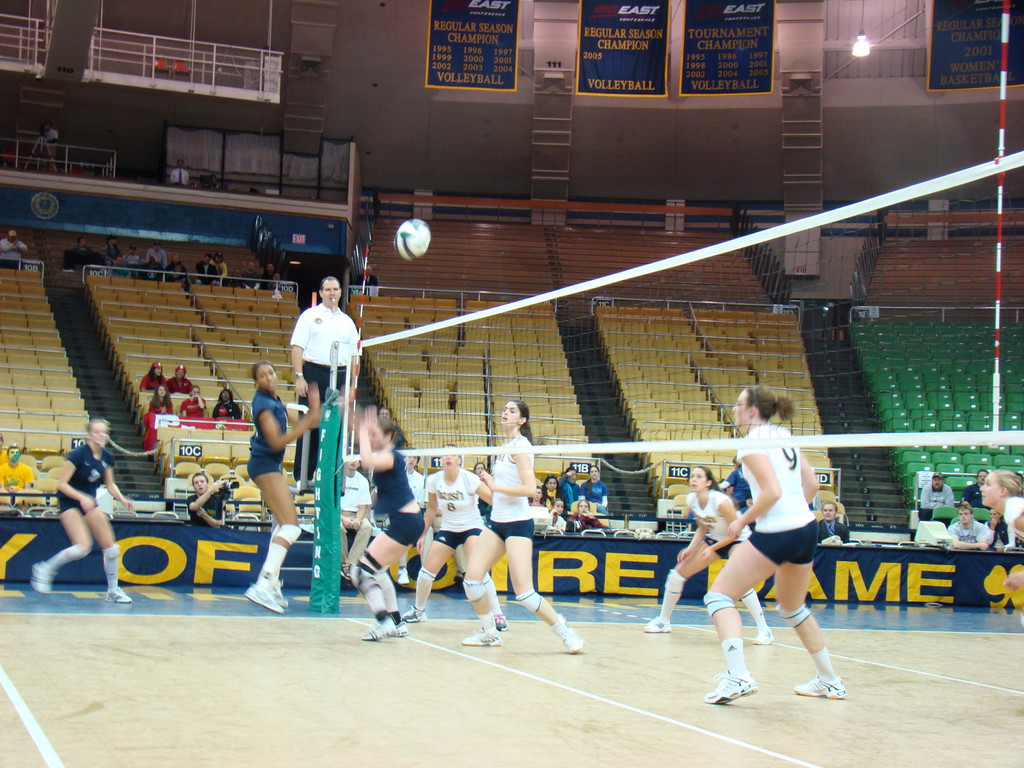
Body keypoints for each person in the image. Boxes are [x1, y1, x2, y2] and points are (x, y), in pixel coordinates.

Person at [703, 385, 843, 705]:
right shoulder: (783, 435)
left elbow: (772, 492)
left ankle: (738, 676)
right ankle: (830, 680)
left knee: (718, 596)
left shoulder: (752, 443)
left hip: (778, 532)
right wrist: (793, 514)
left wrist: (742, 521)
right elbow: (812, 484)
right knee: (792, 607)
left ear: (752, 410)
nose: (734, 410)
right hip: (806, 529)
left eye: (738, 405)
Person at [461, 400, 585, 653]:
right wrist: (483, 483)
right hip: (497, 522)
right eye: (504, 410)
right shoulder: (503, 448)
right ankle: (489, 633)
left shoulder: (521, 447)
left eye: (512, 411)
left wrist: (496, 485)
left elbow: (530, 490)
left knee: (525, 593)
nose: (505, 413)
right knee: (472, 580)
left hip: (518, 524)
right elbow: (497, 496)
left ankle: (566, 633)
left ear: (522, 420)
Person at [644, 465, 774, 644]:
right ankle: (663, 621)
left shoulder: (720, 501)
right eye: (692, 476)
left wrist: (711, 549)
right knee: (676, 575)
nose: (693, 479)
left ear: (709, 482)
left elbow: (735, 531)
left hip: (738, 539)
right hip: (715, 538)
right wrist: (691, 548)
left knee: (740, 583)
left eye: (699, 477)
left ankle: (764, 630)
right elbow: (703, 528)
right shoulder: (692, 499)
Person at [243, 360, 321, 613]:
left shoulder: (275, 400)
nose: (269, 377)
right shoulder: (263, 405)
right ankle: (264, 583)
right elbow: (277, 442)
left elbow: (310, 421)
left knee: (281, 525)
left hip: (268, 465)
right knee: (291, 527)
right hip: (264, 464)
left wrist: (318, 406)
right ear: (256, 382)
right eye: (263, 376)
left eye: (271, 372)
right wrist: (300, 427)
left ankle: (271, 581)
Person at [30, 418, 135, 602]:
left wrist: (123, 499)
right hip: (70, 502)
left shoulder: (106, 458)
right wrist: (81, 498)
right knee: (82, 547)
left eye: (104, 432)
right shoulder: (77, 455)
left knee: (111, 548)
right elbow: (61, 484)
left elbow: (110, 485)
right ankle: (44, 568)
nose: (101, 435)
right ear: (88, 435)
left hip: (89, 503)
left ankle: (113, 591)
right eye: (97, 432)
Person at [401, 448, 506, 628]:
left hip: (471, 527)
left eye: (453, 455)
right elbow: (432, 509)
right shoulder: (434, 480)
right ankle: (418, 611)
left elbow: (493, 501)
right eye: (445, 455)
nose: (448, 457)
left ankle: (497, 614)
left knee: (478, 572)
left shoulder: (469, 479)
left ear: (460, 460)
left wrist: (493, 484)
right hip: (449, 529)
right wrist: (423, 533)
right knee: (426, 573)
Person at [350, 406, 423, 640]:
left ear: (389, 436)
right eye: (370, 435)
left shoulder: (391, 456)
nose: (370, 439)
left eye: (375, 435)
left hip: (405, 522)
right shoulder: (388, 455)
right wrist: (357, 422)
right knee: (379, 572)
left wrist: (362, 429)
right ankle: (397, 623)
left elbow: (367, 463)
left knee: (359, 573)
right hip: (408, 522)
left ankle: (382, 622)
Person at [289, 276, 359, 483]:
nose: (332, 293)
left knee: (336, 426)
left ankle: (331, 475)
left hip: (340, 374)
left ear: (340, 292)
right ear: (320, 293)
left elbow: (356, 356)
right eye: (327, 289)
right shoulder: (309, 316)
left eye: (335, 289)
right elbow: (297, 348)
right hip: (314, 373)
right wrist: (300, 377)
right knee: (311, 423)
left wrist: (353, 385)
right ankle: (303, 473)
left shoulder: (347, 321)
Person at [981, 470, 1024, 626]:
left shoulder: (1013, 511)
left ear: (1003, 491)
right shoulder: (1011, 512)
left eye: (988, 484)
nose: (982, 488)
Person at [338, 459, 374, 581]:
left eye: (356, 460)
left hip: (356, 514)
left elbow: (363, 507)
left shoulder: (363, 481)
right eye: (351, 459)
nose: (353, 462)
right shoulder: (337, 478)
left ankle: (350, 563)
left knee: (367, 527)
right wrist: (343, 519)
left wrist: (358, 520)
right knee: (338, 528)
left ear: (359, 463)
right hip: (338, 513)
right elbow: (332, 505)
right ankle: (342, 563)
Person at [394, 454, 425, 585]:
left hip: (414, 513)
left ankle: (426, 570)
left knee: (426, 530)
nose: (411, 460)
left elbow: (419, 502)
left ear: (417, 461)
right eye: (409, 457)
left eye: (414, 458)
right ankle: (402, 568)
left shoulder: (421, 479)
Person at [0, 446, 36, 511]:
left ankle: (23, 518)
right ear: (7, 455)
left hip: (20, 493)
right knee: (4, 498)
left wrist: (17, 491)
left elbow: (26, 489)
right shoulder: (1, 469)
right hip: (6, 492)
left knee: (24, 499)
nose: (14, 454)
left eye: (17, 453)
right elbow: (2, 488)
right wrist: (8, 491)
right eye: (12, 452)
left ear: (19, 455)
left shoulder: (27, 469)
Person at [143, 384, 173, 452]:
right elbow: (152, 415)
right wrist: (161, 413)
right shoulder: (153, 403)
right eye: (160, 390)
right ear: (157, 392)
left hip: (166, 422)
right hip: (156, 423)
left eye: (163, 390)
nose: (162, 391)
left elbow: (171, 415)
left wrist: (165, 413)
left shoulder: (169, 403)